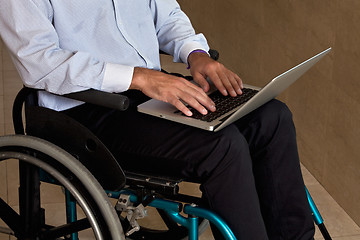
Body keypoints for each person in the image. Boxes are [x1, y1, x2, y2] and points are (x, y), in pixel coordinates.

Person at [0, 0, 315, 239]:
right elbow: (38, 63)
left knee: (271, 117)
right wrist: (137, 77)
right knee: (223, 148)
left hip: (152, 90)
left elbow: (166, 15)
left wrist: (196, 54)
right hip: (81, 107)